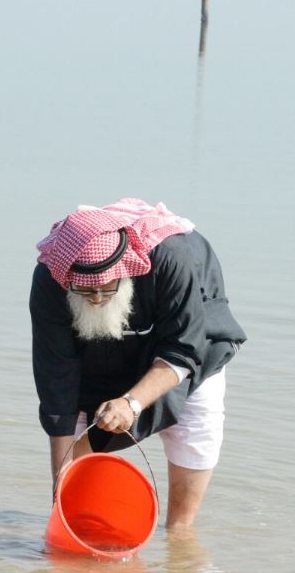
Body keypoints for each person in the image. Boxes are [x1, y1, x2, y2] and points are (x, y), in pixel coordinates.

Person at [29, 198, 246, 535]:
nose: (96, 298)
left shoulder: (171, 259)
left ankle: (179, 534)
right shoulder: (50, 278)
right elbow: (56, 380)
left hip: (188, 335)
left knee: (195, 427)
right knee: (80, 440)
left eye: (106, 287)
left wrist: (131, 403)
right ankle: (79, 522)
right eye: (85, 290)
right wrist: (59, 491)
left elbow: (183, 349)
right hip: (98, 352)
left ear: (126, 269)